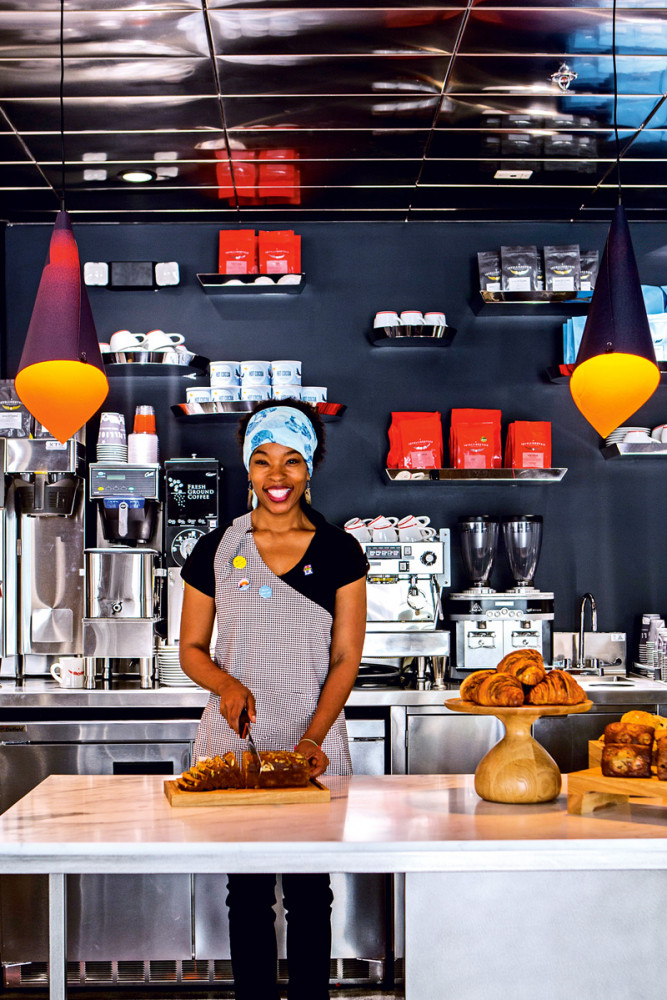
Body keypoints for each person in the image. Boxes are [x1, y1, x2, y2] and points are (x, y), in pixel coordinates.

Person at [179, 399, 368, 1000]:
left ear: (310, 467)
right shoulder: (215, 548)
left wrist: (313, 736)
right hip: (239, 737)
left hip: (315, 734)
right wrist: (227, 686)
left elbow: (345, 659)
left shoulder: (340, 551)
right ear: (247, 468)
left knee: (312, 891)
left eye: (291, 461)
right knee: (249, 891)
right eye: (262, 461)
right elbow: (190, 648)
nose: (276, 476)